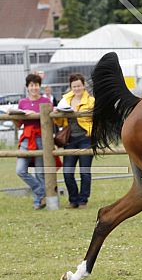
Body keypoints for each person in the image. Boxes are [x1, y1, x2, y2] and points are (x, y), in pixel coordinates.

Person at [54, 73, 95, 208]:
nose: (77, 88)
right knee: (67, 172)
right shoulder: (65, 100)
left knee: (84, 171)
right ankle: (73, 199)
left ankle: (83, 200)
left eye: (79, 86)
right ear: (70, 87)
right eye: (74, 86)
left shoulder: (91, 101)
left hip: (85, 138)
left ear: (84, 86)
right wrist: (57, 113)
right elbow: (60, 122)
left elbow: (97, 120)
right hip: (70, 140)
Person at [15, 74, 52, 210]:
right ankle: (41, 192)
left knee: (40, 172)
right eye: (31, 85)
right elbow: (18, 124)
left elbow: (51, 121)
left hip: (42, 138)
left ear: (39, 86)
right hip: (26, 138)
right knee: (20, 170)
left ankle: (38, 202)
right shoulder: (22, 102)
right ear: (27, 87)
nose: (34, 88)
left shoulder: (46, 101)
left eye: (36, 85)